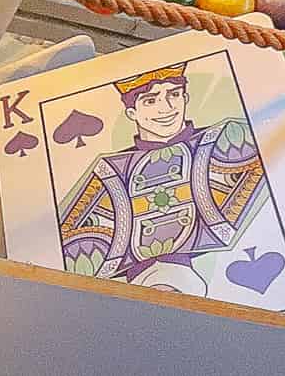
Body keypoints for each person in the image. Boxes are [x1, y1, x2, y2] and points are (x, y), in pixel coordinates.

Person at [55, 65, 267, 294]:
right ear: (132, 113)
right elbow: (73, 252)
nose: (166, 108)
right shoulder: (112, 172)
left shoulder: (229, 141)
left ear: (185, 98)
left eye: (174, 95)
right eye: (150, 100)